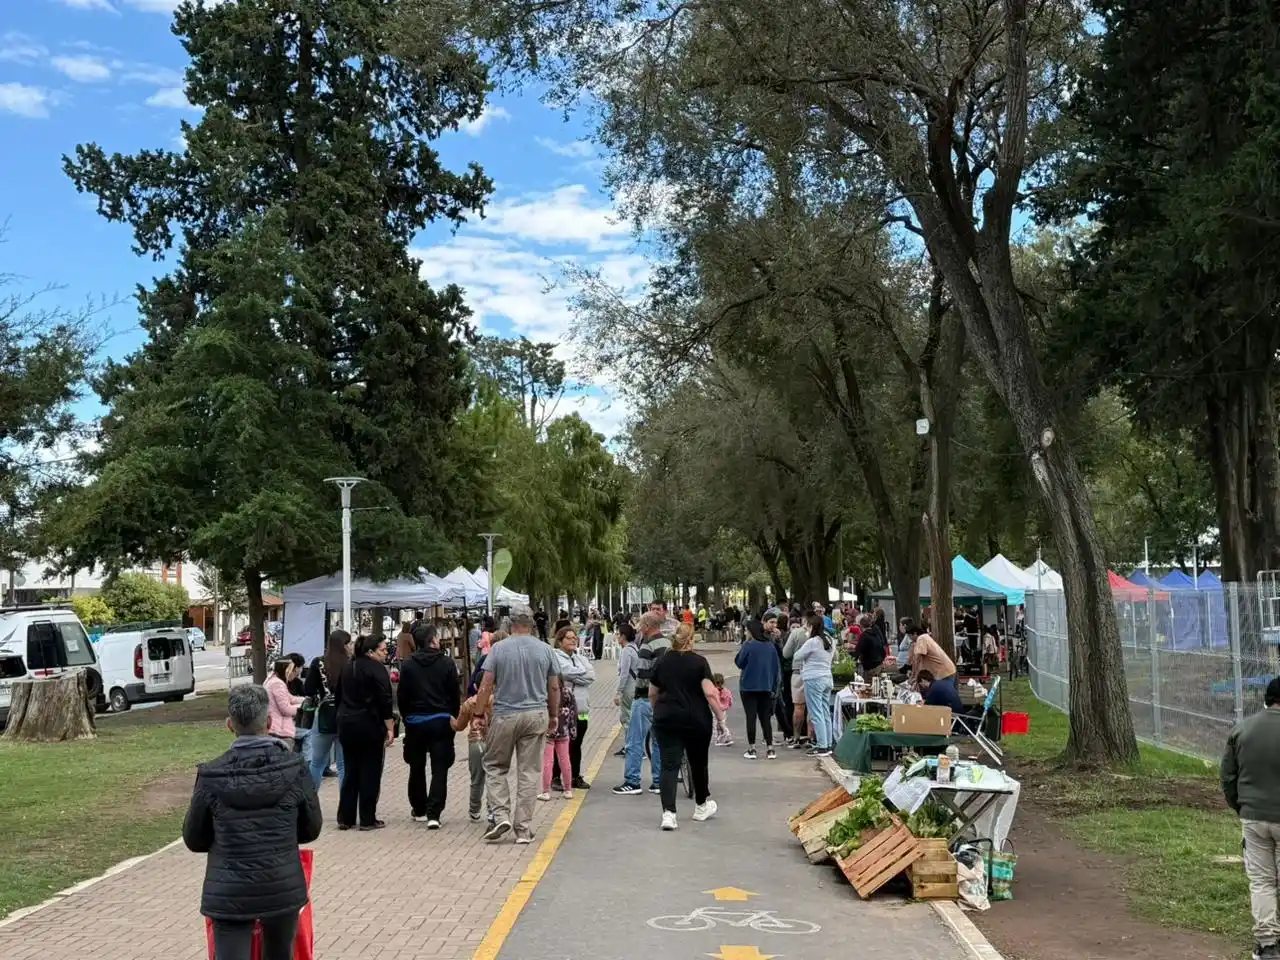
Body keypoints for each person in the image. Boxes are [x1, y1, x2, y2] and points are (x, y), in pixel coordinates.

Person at [183, 684, 322, 960]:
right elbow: (310, 828)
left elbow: (194, 838)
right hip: (281, 883)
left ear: (229, 725)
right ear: (269, 722)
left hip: (229, 888)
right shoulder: (294, 768)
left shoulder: (211, 776)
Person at [474, 611, 561, 844]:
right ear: (532, 626)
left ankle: (501, 815)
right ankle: (523, 828)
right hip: (536, 714)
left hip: (505, 714)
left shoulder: (498, 649)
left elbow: (486, 685)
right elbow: (554, 687)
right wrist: (554, 714)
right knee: (529, 771)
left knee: (495, 765)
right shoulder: (546, 650)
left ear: (510, 625)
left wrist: (479, 713)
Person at [1222, 677, 1280, 960]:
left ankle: (1267, 944)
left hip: (1253, 817)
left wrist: (1242, 807)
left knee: (1261, 881)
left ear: (1267, 699)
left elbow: (1227, 777)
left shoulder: (1241, 729)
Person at [649, 623, 724, 830]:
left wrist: (657, 711)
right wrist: (720, 718)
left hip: (667, 718)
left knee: (668, 765)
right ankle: (701, 807)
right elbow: (710, 693)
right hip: (696, 719)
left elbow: (652, 692)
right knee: (698, 762)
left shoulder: (662, 661)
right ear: (690, 640)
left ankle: (669, 814)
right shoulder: (699, 662)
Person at [396, 622, 461, 828]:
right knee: (440, 768)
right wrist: (454, 717)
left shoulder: (408, 665)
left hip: (415, 721)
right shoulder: (447, 663)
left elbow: (402, 696)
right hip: (441, 720)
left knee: (416, 766)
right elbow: (454, 694)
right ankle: (434, 813)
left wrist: (407, 717)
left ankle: (419, 808)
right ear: (433, 640)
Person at [334, 635, 395, 831]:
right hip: (369, 724)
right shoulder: (377, 669)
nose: (386, 653)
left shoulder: (347, 667)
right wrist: (390, 726)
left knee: (351, 769)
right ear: (371, 652)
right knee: (370, 770)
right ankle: (367, 818)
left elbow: (338, 696)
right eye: (382, 649)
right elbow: (385, 700)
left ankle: (346, 817)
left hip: (346, 723)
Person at [613, 611, 671, 795]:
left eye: (640, 625)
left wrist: (638, 696)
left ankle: (632, 781)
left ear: (647, 626)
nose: (638, 629)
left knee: (634, 741)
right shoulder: (668, 644)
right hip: (664, 699)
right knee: (658, 742)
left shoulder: (647, 647)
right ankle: (658, 781)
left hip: (645, 698)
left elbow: (644, 677)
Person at [550, 626, 596, 790]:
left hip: (581, 708)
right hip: (564, 709)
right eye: (569, 638)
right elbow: (564, 672)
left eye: (574, 638)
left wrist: (577, 675)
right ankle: (555, 777)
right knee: (561, 743)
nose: (573, 640)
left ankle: (575, 776)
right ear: (560, 641)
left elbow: (591, 676)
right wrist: (581, 674)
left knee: (577, 744)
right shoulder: (556, 657)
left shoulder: (580, 658)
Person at [304, 630, 350, 788]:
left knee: (317, 762)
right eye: (348, 643)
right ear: (343, 645)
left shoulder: (319, 663)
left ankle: (311, 798)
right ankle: (345, 801)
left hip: (325, 715)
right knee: (344, 765)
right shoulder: (351, 663)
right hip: (346, 715)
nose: (350, 646)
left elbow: (309, 689)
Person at [735, 619, 781, 760]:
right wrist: (774, 687)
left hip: (748, 686)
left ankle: (752, 748)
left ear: (751, 631)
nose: (745, 633)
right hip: (766, 686)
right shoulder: (770, 646)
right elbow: (776, 668)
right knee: (765, 718)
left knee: (751, 717)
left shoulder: (748, 645)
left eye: (746, 630)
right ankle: (770, 748)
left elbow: (739, 662)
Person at [795, 614, 835, 757]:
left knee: (816, 713)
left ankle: (822, 746)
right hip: (827, 677)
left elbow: (797, 656)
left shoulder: (812, 642)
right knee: (825, 712)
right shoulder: (830, 640)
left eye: (807, 626)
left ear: (812, 627)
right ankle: (828, 744)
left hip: (813, 678)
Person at [906, 624, 959, 701]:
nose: (910, 639)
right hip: (947, 671)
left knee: (945, 698)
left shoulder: (921, 638)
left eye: (910, 636)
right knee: (947, 698)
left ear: (915, 634)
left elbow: (917, 659)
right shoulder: (926, 638)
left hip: (943, 673)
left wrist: (914, 677)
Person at [783, 615, 810, 749]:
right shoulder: (824, 634)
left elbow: (786, 653)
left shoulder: (796, 633)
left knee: (799, 707)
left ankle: (796, 737)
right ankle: (811, 738)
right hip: (817, 674)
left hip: (798, 671)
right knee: (813, 708)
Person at [264, 658, 303, 750]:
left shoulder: (273, 680)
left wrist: (305, 700)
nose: (294, 673)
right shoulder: (277, 684)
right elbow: (286, 709)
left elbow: (290, 698)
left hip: (275, 727)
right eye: (292, 671)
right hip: (280, 730)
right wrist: (303, 707)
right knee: (308, 733)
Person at [614, 621, 638, 756]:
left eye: (618, 634)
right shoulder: (635, 648)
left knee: (626, 718)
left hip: (629, 687)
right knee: (632, 717)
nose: (616, 637)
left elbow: (624, 673)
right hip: (635, 686)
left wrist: (619, 692)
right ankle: (632, 745)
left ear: (623, 636)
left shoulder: (626, 651)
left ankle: (630, 746)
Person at [855, 612, 888, 682]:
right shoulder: (875, 632)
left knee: (869, 686)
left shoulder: (864, 636)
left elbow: (858, 651)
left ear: (861, 625)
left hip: (870, 667)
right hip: (879, 664)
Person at [711, 673, 734, 746]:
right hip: (723, 710)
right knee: (721, 724)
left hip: (715, 709)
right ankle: (722, 738)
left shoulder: (714, 691)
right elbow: (730, 701)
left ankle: (724, 737)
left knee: (716, 724)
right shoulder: (726, 691)